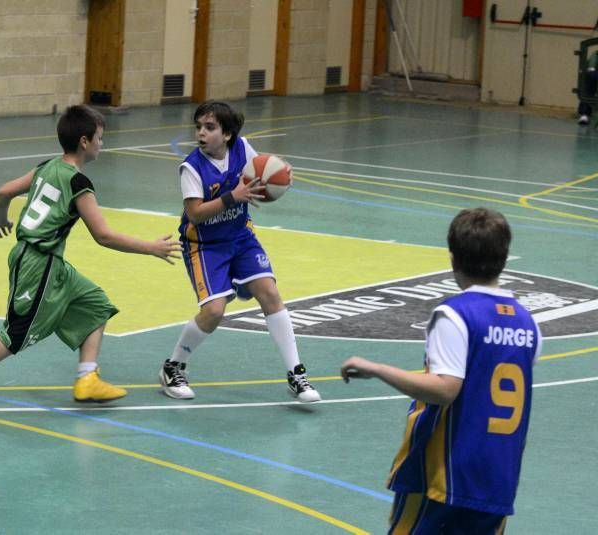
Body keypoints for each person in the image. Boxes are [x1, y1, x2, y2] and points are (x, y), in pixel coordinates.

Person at [0, 104, 180, 418]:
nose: (103, 144)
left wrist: (0, 221)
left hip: (49, 263)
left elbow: (5, 191)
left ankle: (87, 378)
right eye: (100, 138)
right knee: (17, 335)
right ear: (84, 142)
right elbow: (103, 235)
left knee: (95, 305)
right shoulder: (79, 184)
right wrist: (150, 248)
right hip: (38, 265)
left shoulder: (46, 166)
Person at [340, 208, 541, 534]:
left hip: (445, 474)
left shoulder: (455, 314)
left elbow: (446, 388)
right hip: (498, 475)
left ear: (453, 258)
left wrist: (376, 368)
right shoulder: (528, 323)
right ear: (504, 256)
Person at [158, 100, 320, 403]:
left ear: (228, 133)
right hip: (204, 245)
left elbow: (262, 175)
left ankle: (296, 373)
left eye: (209, 127)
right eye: (198, 127)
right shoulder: (191, 167)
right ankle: (173, 366)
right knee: (214, 311)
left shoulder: (243, 148)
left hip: (240, 235)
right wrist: (234, 197)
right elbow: (195, 214)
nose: (201, 133)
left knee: (269, 293)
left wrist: (282, 176)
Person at [577, 49, 598, 125]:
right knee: (590, 77)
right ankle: (584, 114)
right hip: (594, 75)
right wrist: (592, 70)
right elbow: (591, 67)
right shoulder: (596, 54)